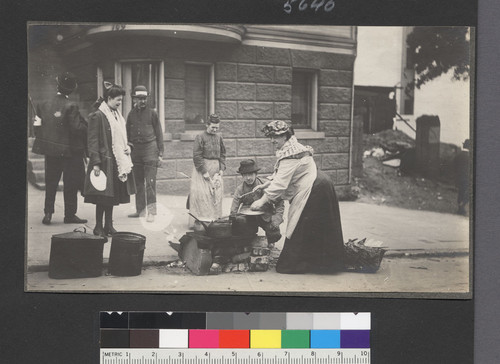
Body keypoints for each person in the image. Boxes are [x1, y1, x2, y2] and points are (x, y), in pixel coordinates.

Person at [250, 120, 345, 274]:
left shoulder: (291, 153)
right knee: (311, 226)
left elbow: (281, 184)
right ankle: (319, 263)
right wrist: (265, 185)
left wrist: (261, 201)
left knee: (300, 225)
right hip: (319, 184)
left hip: (315, 189)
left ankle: (307, 264)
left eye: (275, 137)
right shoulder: (291, 148)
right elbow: (280, 174)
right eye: (271, 137)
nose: (272, 140)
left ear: (286, 136)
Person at [32, 72, 88, 225]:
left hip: (50, 152)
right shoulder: (71, 105)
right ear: (70, 90)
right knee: (70, 184)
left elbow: (36, 127)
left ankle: (48, 213)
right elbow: (77, 128)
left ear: (57, 86)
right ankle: (69, 215)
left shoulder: (42, 104)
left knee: (51, 183)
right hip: (69, 153)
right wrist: (86, 124)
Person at [83, 84, 136, 238]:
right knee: (102, 197)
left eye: (121, 100)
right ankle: (98, 226)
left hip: (116, 161)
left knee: (112, 197)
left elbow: (123, 137)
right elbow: (92, 141)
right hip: (104, 162)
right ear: (109, 98)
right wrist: (96, 163)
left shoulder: (117, 115)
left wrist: (129, 147)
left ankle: (109, 225)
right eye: (118, 100)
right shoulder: (98, 115)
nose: (120, 103)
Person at [126, 86, 164, 222]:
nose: (142, 101)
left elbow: (159, 133)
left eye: (144, 98)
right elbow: (127, 134)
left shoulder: (152, 114)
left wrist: (161, 153)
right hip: (136, 152)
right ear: (134, 99)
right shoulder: (131, 114)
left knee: (150, 182)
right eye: (139, 98)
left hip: (150, 151)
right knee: (138, 183)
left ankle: (152, 212)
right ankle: (140, 211)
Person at [230, 160, 284, 247]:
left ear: (256, 174)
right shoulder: (240, 190)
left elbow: (280, 202)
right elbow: (234, 209)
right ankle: (250, 240)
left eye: (250, 174)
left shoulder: (266, 185)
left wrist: (277, 219)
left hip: (266, 216)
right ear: (242, 176)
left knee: (274, 232)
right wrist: (233, 220)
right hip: (249, 218)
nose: (248, 178)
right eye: (245, 175)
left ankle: (271, 242)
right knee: (241, 229)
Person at [189, 114, 226, 223]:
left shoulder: (219, 137)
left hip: (216, 168)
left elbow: (223, 154)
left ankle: (214, 220)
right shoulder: (200, 137)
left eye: (217, 128)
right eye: (212, 127)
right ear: (207, 125)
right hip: (203, 169)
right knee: (203, 195)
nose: (215, 130)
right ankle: (201, 221)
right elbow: (197, 156)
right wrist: (204, 171)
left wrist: (221, 169)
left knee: (216, 194)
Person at [454, 139, 471, 216]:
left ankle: (460, 208)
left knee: (460, 192)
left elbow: (453, 166)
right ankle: (462, 206)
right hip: (467, 178)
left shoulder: (458, 155)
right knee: (469, 193)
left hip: (459, 177)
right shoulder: (470, 156)